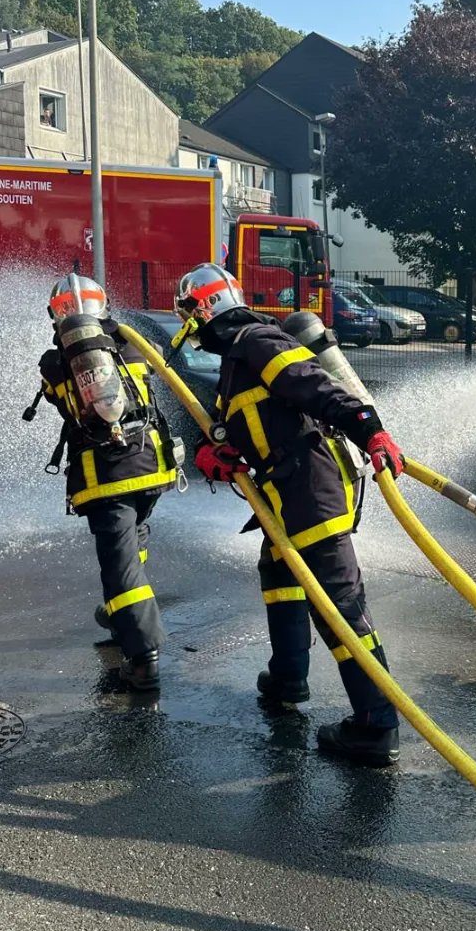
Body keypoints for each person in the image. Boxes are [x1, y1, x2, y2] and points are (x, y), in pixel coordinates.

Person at [173, 263, 405, 767]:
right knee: (278, 571)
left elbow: (316, 389)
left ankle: (376, 723)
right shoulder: (238, 360)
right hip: (287, 494)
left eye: (189, 315)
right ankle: (287, 679)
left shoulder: (257, 342)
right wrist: (215, 453)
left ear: (203, 311)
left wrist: (372, 431)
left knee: (339, 606)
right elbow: (250, 424)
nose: (188, 328)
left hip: (310, 493)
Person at [32, 273, 179, 691]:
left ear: (55, 314)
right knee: (135, 538)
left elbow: (66, 407)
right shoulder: (130, 341)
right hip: (153, 466)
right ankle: (121, 618)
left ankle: (143, 657)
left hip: (107, 476)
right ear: (105, 305)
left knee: (121, 567)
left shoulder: (55, 360)